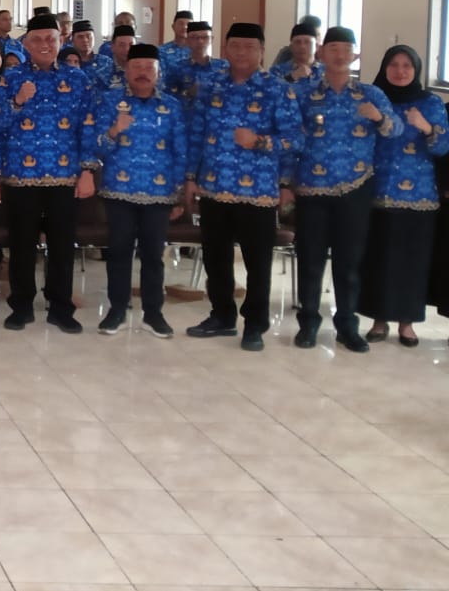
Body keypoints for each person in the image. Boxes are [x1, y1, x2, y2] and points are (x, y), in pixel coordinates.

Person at [184, 23, 303, 352]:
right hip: (214, 186)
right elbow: (196, 134)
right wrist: (190, 177)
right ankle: (222, 315)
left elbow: (296, 139)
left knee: (257, 263)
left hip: (258, 191)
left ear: (262, 51)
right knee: (216, 258)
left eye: (250, 47)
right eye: (235, 46)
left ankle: (255, 324)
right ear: (225, 49)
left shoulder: (277, 89)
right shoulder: (211, 86)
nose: (241, 52)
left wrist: (261, 142)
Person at [0, 12, 98, 333]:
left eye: (51, 38)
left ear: (61, 40)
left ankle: (60, 307)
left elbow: (88, 127)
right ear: (26, 44)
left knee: (62, 245)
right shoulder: (12, 78)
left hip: (65, 176)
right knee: (22, 245)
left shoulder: (78, 79)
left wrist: (88, 170)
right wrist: (17, 102)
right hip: (20, 176)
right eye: (37, 39)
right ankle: (21, 306)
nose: (45, 44)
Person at [291, 26, 399, 353]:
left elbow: (395, 130)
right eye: (333, 48)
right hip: (311, 190)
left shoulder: (370, 94)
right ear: (321, 53)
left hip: (355, 189)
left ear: (355, 55)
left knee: (348, 264)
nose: (339, 55)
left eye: (346, 49)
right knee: (310, 260)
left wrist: (378, 118)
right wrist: (285, 182)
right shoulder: (303, 93)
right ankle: (308, 323)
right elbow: (289, 138)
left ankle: (347, 326)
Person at [85, 43, 188, 337]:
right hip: (119, 191)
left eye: (148, 68)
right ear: (126, 70)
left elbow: (181, 151)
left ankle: (153, 314)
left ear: (158, 72)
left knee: (153, 255)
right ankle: (117, 310)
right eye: (137, 67)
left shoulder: (172, 106)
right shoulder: (109, 102)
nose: (142, 73)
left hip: (160, 193)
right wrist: (114, 130)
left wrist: (180, 194)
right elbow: (95, 147)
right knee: (118, 252)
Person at [360, 46, 447, 347]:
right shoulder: (374, 99)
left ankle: (407, 323)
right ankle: (379, 320)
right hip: (378, 193)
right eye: (394, 65)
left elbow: (443, 147)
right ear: (384, 67)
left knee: (412, 263)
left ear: (416, 69)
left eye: (407, 65)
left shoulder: (431, 103)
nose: (400, 71)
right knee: (379, 260)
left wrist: (427, 128)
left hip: (419, 198)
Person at [165, 21, 228, 102]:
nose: (200, 41)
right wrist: (188, 93)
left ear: (211, 39)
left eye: (205, 37)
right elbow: (167, 98)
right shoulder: (176, 68)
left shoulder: (223, 66)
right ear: (187, 40)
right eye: (194, 37)